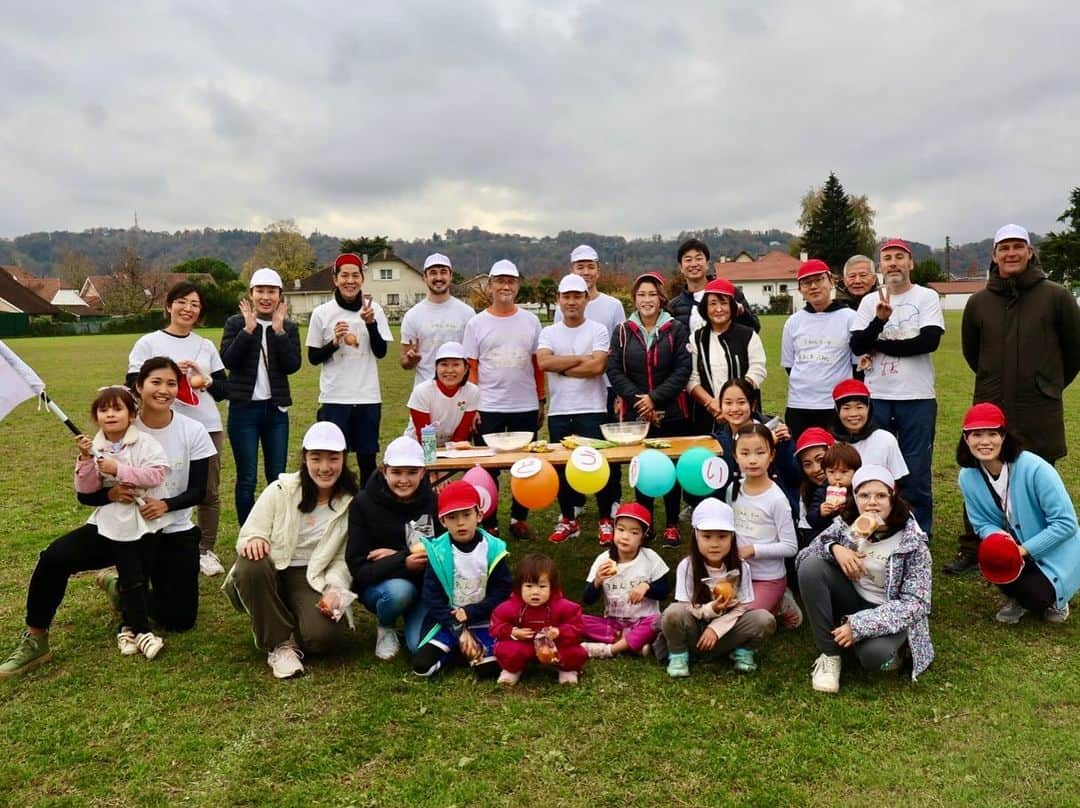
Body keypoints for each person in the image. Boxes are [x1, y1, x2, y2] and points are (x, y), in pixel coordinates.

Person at [1, 357, 215, 679]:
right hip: (116, 525)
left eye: (171, 383)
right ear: (138, 388)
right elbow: (86, 495)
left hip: (171, 529)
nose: (164, 390)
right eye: (155, 382)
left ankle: (121, 587)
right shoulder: (117, 422)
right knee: (53, 558)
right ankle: (36, 639)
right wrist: (110, 494)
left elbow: (201, 491)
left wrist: (166, 505)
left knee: (179, 620)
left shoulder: (193, 430)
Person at [949, 225, 1080, 573]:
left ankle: (1040, 544)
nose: (1010, 253)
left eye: (1017, 247)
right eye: (1003, 247)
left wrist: (1047, 384)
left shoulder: (1057, 296)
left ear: (1030, 251)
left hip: (1038, 405)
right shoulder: (979, 302)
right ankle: (975, 547)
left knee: (1038, 472)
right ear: (994, 255)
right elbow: (971, 353)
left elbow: (1073, 351)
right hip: (992, 403)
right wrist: (993, 382)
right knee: (980, 469)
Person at [223, 422, 358, 679]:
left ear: (344, 459)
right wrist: (256, 539)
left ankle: (282, 616)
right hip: (273, 568)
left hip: (314, 575)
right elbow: (251, 532)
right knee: (251, 562)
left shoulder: (351, 502)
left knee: (323, 638)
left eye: (333, 459)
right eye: (316, 458)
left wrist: (333, 590)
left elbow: (343, 559)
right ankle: (280, 645)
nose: (324, 467)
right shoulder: (281, 489)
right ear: (305, 458)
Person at [796, 465, 933, 693]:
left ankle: (894, 648)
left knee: (873, 657)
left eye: (880, 495)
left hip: (887, 609)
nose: (872, 502)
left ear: (893, 497)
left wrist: (858, 626)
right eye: (864, 495)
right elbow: (803, 557)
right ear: (855, 498)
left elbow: (916, 604)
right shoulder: (848, 524)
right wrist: (835, 549)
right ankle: (830, 654)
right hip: (852, 597)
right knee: (811, 567)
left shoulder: (912, 542)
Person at [128, 281, 229, 577]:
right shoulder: (148, 343)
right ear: (168, 305)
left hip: (206, 427)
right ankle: (148, 542)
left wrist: (204, 380)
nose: (188, 308)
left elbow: (224, 389)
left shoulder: (205, 345)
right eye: (182, 302)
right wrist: (175, 376)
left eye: (195, 304)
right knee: (156, 485)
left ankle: (204, 550)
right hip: (159, 428)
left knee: (207, 491)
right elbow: (132, 381)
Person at [850, 239, 943, 538]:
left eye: (899, 257)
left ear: (910, 263)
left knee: (915, 470)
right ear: (881, 266)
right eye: (887, 258)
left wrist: (878, 344)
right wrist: (878, 322)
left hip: (917, 396)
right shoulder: (869, 302)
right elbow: (857, 344)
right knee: (875, 465)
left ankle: (917, 532)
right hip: (877, 396)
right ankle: (876, 526)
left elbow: (927, 342)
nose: (893, 263)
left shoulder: (926, 297)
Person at [956, 403, 1078, 624]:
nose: (984, 442)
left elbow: (1066, 523)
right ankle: (1017, 595)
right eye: (976, 434)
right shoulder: (967, 476)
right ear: (966, 439)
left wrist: (1022, 550)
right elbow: (981, 523)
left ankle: (1057, 597)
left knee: (1037, 597)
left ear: (1004, 436)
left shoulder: (1035, 468)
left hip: (1053, 550)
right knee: (993, 559)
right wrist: (1000, 542)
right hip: (1014, 547)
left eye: (992, 433)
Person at [74, 386, 169, 659]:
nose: (110, 415)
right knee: (132, 577)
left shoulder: (147, 443)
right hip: (117, 524)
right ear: (96, 417)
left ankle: (126, 627)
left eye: (117, 409)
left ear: (131, 415)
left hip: (148, 521)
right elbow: (87, 489)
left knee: (141, 575)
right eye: (104, 410)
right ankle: (142, 631)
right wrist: (85, 460)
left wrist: (119, 469)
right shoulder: (94, 447)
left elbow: (156, 475)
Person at [608, 272, 691, 545]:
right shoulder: (622, 331)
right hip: (636, 413)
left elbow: (682, 369)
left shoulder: (676, 329)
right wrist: (639, 400)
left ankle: (670, 523)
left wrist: (655, 399)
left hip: (672, 411)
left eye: (652, 294)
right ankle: (644, 522)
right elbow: (614, 370)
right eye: (641, 295)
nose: (647, 300)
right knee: (642, 468)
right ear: (634, 299)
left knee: (670, 468)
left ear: (661, 298)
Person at [462, 260, 544, 540]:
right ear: (490, 286)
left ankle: (518, 519)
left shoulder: (531, 321)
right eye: (499, 281)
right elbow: (470, 367)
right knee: (487, 469)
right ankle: (490, 521)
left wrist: (541, 399)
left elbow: (537, 365)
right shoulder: (476, 323)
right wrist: (472, 406)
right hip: (489, 406)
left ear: (518, 285)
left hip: (524, 404)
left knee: (525, 467)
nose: (505, 286)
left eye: (511, 280)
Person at [536, 274, 616, 544]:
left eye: (577, 296)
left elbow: (597, 367)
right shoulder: (548, 332)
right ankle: (568, 519)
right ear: (559, 299)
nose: (571, 302)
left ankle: (606, 519)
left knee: (597, 466)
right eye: (566, 296)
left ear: (585, 299)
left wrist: (564, 367)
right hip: (559, 411)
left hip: (592, 408)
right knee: (561, 468)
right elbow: (544, 363)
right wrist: (581, 358)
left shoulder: (598, 330)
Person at [655, 499, 776, 677]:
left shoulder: (742, 567)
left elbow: (742, 607)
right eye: (707, 536)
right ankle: (679, 654)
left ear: (732, 537)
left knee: (764, 619)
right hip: (694, 631)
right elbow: (686, 606)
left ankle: (741, 651)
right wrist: (712, 609)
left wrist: (716, 628)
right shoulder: (687, 566)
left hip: (725, 633)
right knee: (673, 612)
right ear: (696, 535)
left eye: (722, 536)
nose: (714, 544)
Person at [220, 267, 302, 525]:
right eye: (260, 291)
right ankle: (248, 533)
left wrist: (278, 332)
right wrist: (248, 330)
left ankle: (275, 529)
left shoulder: (287, 327)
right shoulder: (235, 323)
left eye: (271, 292)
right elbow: (228, 360)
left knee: (277, 476)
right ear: (251, 294)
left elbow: (292, 365)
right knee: (247, 477)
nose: (266, 297)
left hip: (275, 411)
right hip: (244, 410)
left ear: (280, 296)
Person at [347, 436, 438, 660]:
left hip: (424, 585)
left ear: (423, 473)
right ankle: (385, 626)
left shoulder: (433, 502)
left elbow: (443, 554)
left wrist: (397, 556)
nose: (404, 480)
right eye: (397, 472)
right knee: (399, 592)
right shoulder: (362, 504)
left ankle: (413, 616)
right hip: (382, 586)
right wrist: (403, 561)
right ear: (384, 471)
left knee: (418, 646)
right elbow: (358, 567)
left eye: (411, 472)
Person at [307, 253, 394, 487]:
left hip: (367, 396)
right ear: (335, 279)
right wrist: (334, 343)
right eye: (344, 275)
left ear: (362, 279)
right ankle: (336, 508)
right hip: (335, 396)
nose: (350, 281)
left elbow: (380, 352)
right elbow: (313, 358)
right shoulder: (322, 313)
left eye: (355, 275)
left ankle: (366, 510)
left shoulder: (373, 309)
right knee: (335, 459)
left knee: (367, 459)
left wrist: (371, 324)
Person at [412, 480, 512, 678]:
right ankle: (456, 649)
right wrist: (457, 628)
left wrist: (473, 612)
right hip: (447, 622)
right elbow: (431, 597)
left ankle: (469, 651)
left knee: (489, 671)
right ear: (442, 521)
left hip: (483, 618)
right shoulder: (438, 552)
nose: (460, 523)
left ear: (479, 515)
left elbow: (502, 591)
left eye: (466, 515)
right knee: (422, 668)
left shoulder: (493, 549)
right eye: (452, 517)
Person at [730, 423, 802, 630]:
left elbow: (790, 547)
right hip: (737, 575)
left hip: (768, 578)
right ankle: (775, 605)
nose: (752, 460)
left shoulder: (777, 499)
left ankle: (780, 601)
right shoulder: (732, 490)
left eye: (760, 452)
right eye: (745, 453)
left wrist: (753, 550)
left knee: (742, 620)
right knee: (716, 609)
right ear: (736, 457)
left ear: (771, 456)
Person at [580, 503, 669, 659]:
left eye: (634, 532)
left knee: (658, 621)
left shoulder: (650, 558)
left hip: (643, 621)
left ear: (643, 537)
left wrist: (647, 587)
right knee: (577, 619)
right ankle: (632, 645)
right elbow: (587, 599)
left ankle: (610, 649)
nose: (625, 536)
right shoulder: (603, 560)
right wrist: (597, 582)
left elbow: (664, 591)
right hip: (613, 624)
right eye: (620, 529)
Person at [781, 260, 856, 439]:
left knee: (836, 460)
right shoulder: (793, 322)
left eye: (819, 280)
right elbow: (789, 365)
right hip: (799, 405)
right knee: (802, 458)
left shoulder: (850, 318)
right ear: (800, 289)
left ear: (831, 281)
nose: (813, 286)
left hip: (835, 404)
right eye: (806, 283)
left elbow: (857, 364)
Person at [490, 553, 587, 685]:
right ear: (519, 587)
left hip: (554, 646)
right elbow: (496, 625)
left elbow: (577, 627)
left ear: (552, 587)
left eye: (542, 586)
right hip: (524, 644)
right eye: (529, 586)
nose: (535, 592)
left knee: (574, 652)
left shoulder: (564, 606)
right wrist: (513, 632)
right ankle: (512, 670)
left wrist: (559, 632)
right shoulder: (509, 607)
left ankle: (568, 670)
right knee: (507, 649)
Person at [686, 278, 767, 434]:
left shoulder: (748, 334)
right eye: (713, 303)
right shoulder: (696, 338)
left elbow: (757, 370)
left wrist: (732, 403)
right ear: (705, 307)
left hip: (743, 412)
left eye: (723, 303)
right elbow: (692, 379)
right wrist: (712, 403)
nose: (718, 309)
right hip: (709, 415)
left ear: (732, 306)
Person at [400, 252, 476, 387]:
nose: (439, 277)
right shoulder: (413, 315)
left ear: (450, 276)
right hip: (425, 392)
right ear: (425, 277)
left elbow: (473, 358)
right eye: (433, 273)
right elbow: (405, 362)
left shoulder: (467, 313)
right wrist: (412, 360)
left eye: (443, 272)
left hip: (459, 392)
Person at [668, 237, 759, 334]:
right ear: (681, 267)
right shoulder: (673, 307)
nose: (694, 264)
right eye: (688, 260)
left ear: (707, 264)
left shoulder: (730, 293)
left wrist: (742, 314)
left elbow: (755, 328)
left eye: (698, 258)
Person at [830, 379, 908, 483]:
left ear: (869, 408)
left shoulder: (885, 439)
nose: (853, 413)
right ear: (837, 411)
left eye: (859, 407)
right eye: (846, 408)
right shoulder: (829, 442)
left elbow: (899, 481)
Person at [403, 341, 480, 444]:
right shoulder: (422, 391)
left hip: (451, 448)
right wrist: (436, 458)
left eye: (456, 364)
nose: (449, 370)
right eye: (444, 364)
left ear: (466, 368)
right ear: (436, 367)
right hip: (418, 448)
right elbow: (424, 436)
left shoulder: (472, 392)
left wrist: (451, 454)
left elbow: (462, 434)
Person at [794, 427, 836, 546]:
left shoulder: (854, 485)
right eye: (807, 464)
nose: (816, 469)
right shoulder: (805, 493)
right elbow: (806, 534)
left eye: (820, 460)